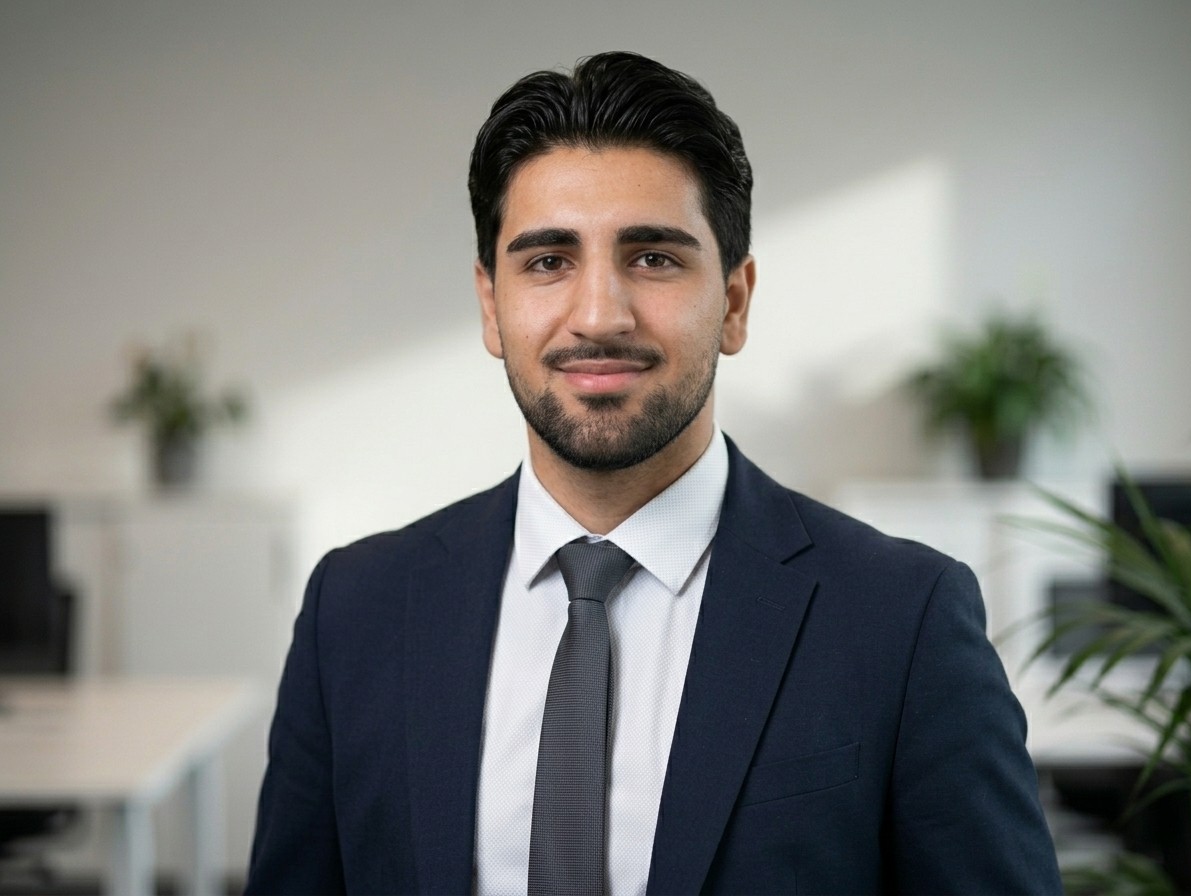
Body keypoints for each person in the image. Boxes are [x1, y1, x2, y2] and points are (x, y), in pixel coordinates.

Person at [245, 51, 1062, 895]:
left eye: (653, 259)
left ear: (734, 302)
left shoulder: (902, 618)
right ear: (491, 305)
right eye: (548, 261)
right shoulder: (356, 612)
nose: (599, 316)